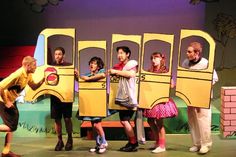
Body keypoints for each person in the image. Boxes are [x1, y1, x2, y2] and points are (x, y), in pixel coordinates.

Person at [0, 56, 44, 157]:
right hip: (3, 100)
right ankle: (5, 152)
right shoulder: (18, 74)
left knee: (12, 126)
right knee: (10, 126)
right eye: (34, 65)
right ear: (28, 66)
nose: (35, 67)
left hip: (11, 100)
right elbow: (0, 86)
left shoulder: (28, 75)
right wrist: (6, 102)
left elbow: (34, 87)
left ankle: (6, 152)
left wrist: (44, 79)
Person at [182, 42, 218, 154]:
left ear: (197, 52)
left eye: (189, 51)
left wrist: (202, 89)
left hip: (202, 96)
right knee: (192, 119)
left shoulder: (205, 63)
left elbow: (214, 78)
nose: (187, 53)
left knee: (203, 119)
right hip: (190, 96)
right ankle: (196, 143)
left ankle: (205, 144)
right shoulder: (185, 63)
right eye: (187, 51)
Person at [143, 52, 178, 153]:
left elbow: (172, 85)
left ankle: (162, 145)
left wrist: (162, 83)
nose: (154, 60)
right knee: (150, 121)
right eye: (152, 58)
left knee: (159, 123)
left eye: (156, 58)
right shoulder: (150, 71)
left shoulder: (165, 71)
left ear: (161, 59)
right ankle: (157, 141)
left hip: (160, 100)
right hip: (152, 99)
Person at [108, 46, 139, 152]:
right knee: (123, 120)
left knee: (125, 120)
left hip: (129, 96)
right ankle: (132, 141)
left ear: (128, 54)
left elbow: (131, 74)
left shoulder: (132, 64)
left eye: (121, 53)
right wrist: (113, 73)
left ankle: (133, 143)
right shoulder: (119, 66)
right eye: (118, 53)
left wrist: (116, 72)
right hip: (121, 96)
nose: (119, 55)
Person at [76, 56, 108, 154]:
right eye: (91, 63)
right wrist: (77, 76)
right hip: (90, 102)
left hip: (98, 102)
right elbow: (82, 82)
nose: (91, 65)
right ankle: (98, 145)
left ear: (98, 66)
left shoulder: (101, 71)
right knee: (93, 125)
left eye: (94, 63)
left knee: (97, 124)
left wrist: (86, 78)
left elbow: (102, 75)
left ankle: (104, 142)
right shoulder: (88, 74)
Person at [50, 47, 73, 151]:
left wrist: (76, 75)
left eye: (59, 54)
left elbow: (75, 80)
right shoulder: (51, 66)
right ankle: (60, 141)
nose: (57, 56)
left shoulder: (69, 66)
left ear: (63, 55)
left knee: (67, 119)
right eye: (56, 54)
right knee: (57, 119)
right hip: (55, 96)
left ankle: (70, 139)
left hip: (66, 96)